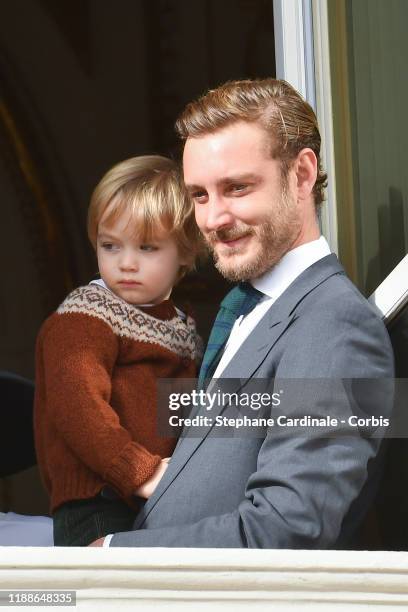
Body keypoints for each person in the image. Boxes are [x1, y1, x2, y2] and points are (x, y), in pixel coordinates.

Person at [92, 78, 394, 549]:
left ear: (302, 175)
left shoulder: (336, 327)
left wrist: (115, 555)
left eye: (236, 187)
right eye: (200, 195)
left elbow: (283, 530)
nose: (213, 219)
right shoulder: (241, 313)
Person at [34, 155, 203, 546]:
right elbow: (77, 407)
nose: (126, 263)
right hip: (98, 501)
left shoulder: (181, 327)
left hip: (156, 497)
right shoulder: (86, 316)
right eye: (110, 246)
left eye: (147, 247)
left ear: (185, 251)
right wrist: (140, 473)